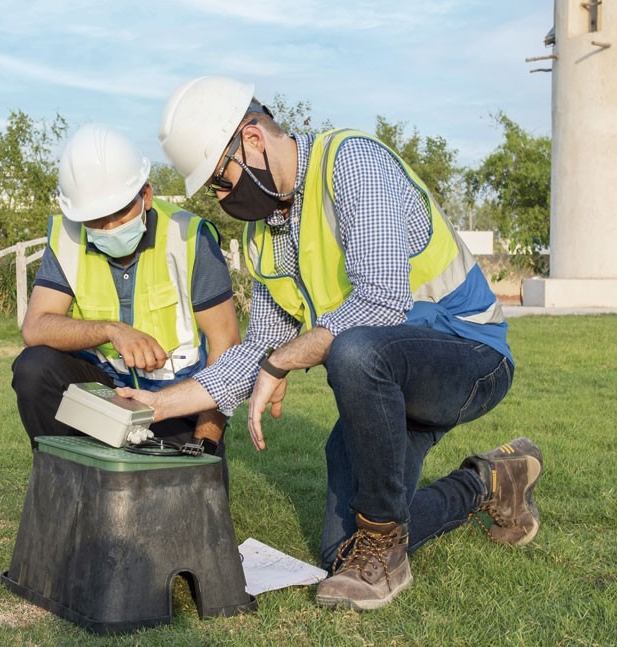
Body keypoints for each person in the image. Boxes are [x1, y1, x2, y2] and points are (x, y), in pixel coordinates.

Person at [116, 76, 542, 611]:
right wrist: (156, 405)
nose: (223, 199)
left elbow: (382, 301)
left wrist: (282, 360)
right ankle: (486, 483)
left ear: (252, 139)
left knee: (356, 350)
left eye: (221, 180)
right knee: (342, 548)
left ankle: (384, 544)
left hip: (469, 354)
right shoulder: (265, 235)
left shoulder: (351, 164)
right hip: (386, 373)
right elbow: (260, 350)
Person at [11, 123, 240, 458]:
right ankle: (62, 471)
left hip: (176, 403)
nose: (108, 227)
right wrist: (112, 331)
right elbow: (36, 327)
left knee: (173, 504)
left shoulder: (190, 237)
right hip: (105, 396)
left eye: (119, 212)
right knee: (34, 367)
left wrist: (205, 441)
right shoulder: (67, 237)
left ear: (145, 196)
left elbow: (227, 346)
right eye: (95, 218)